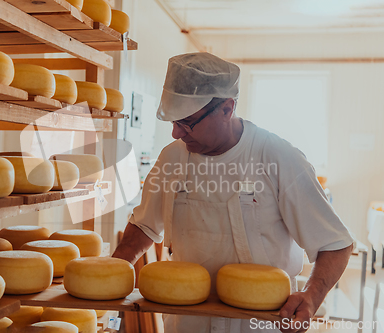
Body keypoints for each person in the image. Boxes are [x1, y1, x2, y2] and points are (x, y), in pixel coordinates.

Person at [112, 52, 354, 333]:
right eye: (173, 122)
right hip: (187, 324)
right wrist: (108, 277)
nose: (176, 133)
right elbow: (143, 226)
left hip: (259, 325)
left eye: (187, 122)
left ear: (227, 108)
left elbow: (335, 243)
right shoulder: (172, 159)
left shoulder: (277, 157)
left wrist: (311, 298)